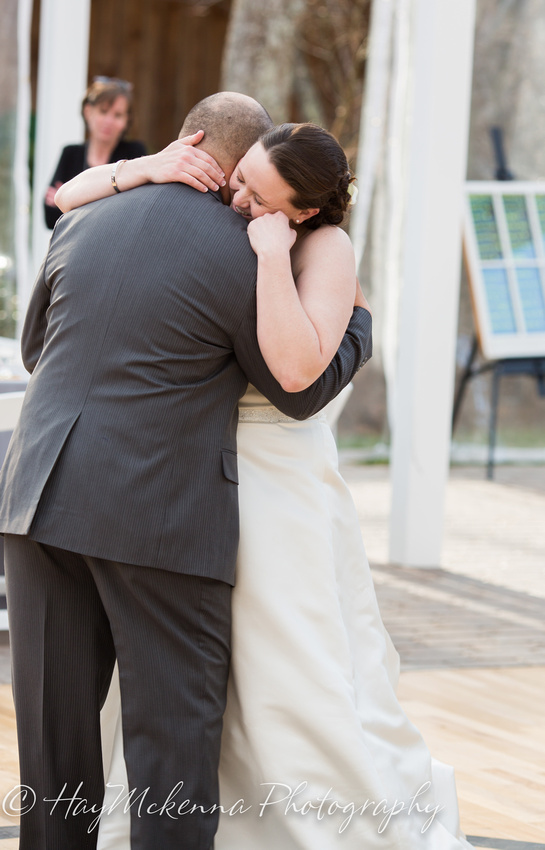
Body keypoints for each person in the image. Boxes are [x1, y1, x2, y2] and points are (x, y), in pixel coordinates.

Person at [55, 121, 474, 849]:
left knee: (284, 666)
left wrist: (273, 257)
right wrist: (147, 166)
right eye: (241, 176)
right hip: (190, 476)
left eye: (257, 192)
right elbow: (69, 200)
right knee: (182, 680)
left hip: (274, 486)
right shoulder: (224, 198)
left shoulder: (323, 248)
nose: (236, 194)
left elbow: (293, 371)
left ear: (305, 211)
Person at [0, 92, 371, 850]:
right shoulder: (244, 247)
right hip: (155, 516)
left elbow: (37, 348)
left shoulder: (84, 216)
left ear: (187, 138)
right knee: (171, 751)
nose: (243, 202)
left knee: (52, 745)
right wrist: (356, 326)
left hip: (36, 497)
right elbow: (292, 386)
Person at [44, 77, 146, 228]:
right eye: (103, 112)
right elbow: (50, 217)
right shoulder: (70, 154)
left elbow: (136, 213)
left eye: (117, 115)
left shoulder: (134, 152)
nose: (108, 121)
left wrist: (72, 202)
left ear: (126, 120)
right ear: (88, 112)